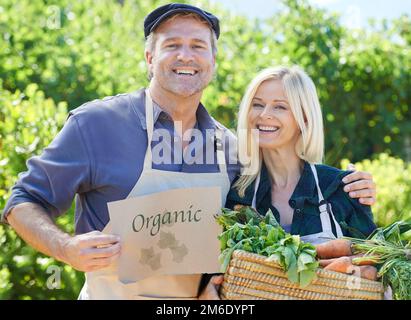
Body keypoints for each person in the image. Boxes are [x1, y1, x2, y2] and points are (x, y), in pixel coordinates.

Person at [1, 4, 376, 300]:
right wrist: (67, 248)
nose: (186, 56)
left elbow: (283, 196)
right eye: (171, 45)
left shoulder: (232, 149)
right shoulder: (95, 125)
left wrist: (352, 185)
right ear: (150, 58)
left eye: (198, 46)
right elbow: (23, 200)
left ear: (212, 63)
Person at [202, 66, 377, 299]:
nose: (264, 114)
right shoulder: (237, 193)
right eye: (257, 104)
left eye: (280, 106)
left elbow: (373, 269)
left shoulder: (341, 187)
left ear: (304, 118)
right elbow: (213, 270)